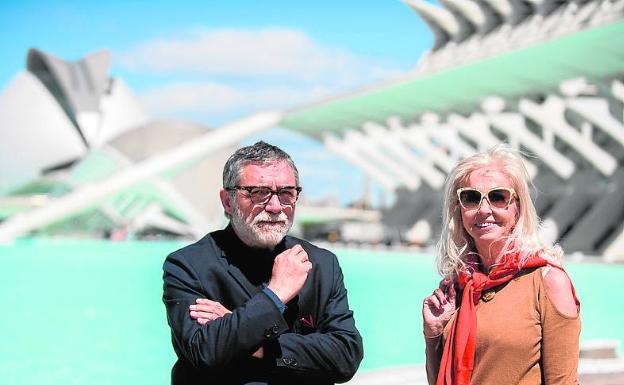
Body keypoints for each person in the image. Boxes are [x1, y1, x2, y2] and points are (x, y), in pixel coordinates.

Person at [163, 141, 363, 385]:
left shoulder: (322, 264)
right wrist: (275, 295)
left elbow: (346, 356)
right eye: (259, 193)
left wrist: (254, 340)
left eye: (286, 193)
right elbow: (204, 350)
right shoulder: (188, 265)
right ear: (228, 201)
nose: (275, 206)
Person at [422, 145, 581, 385]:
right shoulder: (458, 287)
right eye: (471, 198)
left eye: (498, 197)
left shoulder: (547, 281)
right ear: (459, 209)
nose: (484, 210)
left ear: (517, 207)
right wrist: (434, 333)